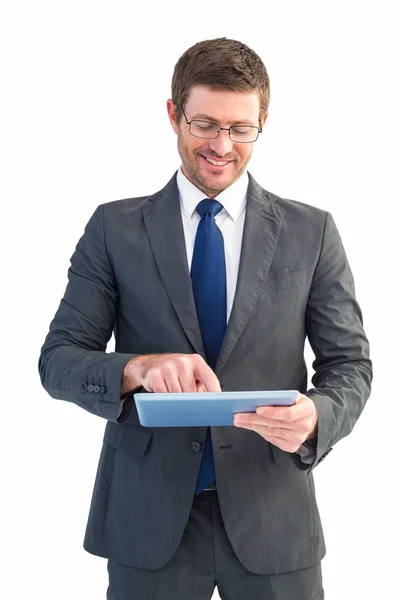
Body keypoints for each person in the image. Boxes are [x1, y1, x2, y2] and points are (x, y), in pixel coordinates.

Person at [38, 37, 372, 600]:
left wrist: (317, 414)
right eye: (205, 124)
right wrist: (137, 368)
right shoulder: (114, 230)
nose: (222, 145)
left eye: (241, 128)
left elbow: (351, 366)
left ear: (263, 121)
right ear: (173, 115)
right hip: (150, 517)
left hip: (272, 517)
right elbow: (59, 360)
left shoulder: (312, 232)